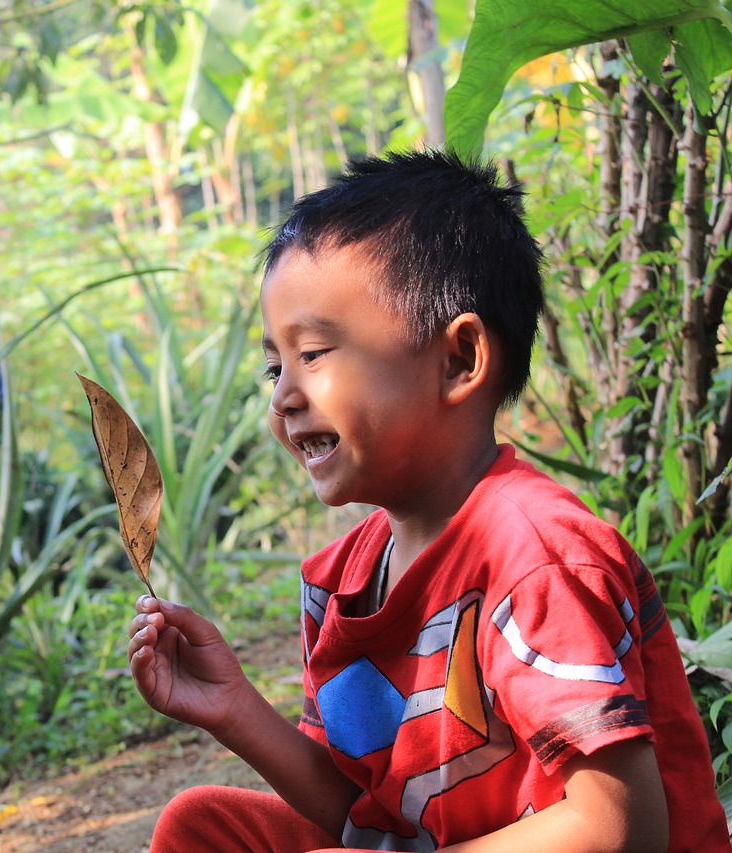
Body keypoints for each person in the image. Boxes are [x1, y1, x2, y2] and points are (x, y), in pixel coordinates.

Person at [127, 150, 731, 853]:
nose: (283, 396)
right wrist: (231, 707)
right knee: (202, 825)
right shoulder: (342, 582)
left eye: (315, 353)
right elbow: (363, 813)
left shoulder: (536, 557)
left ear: (458, 361)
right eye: (275, 364)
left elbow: (623, 826)